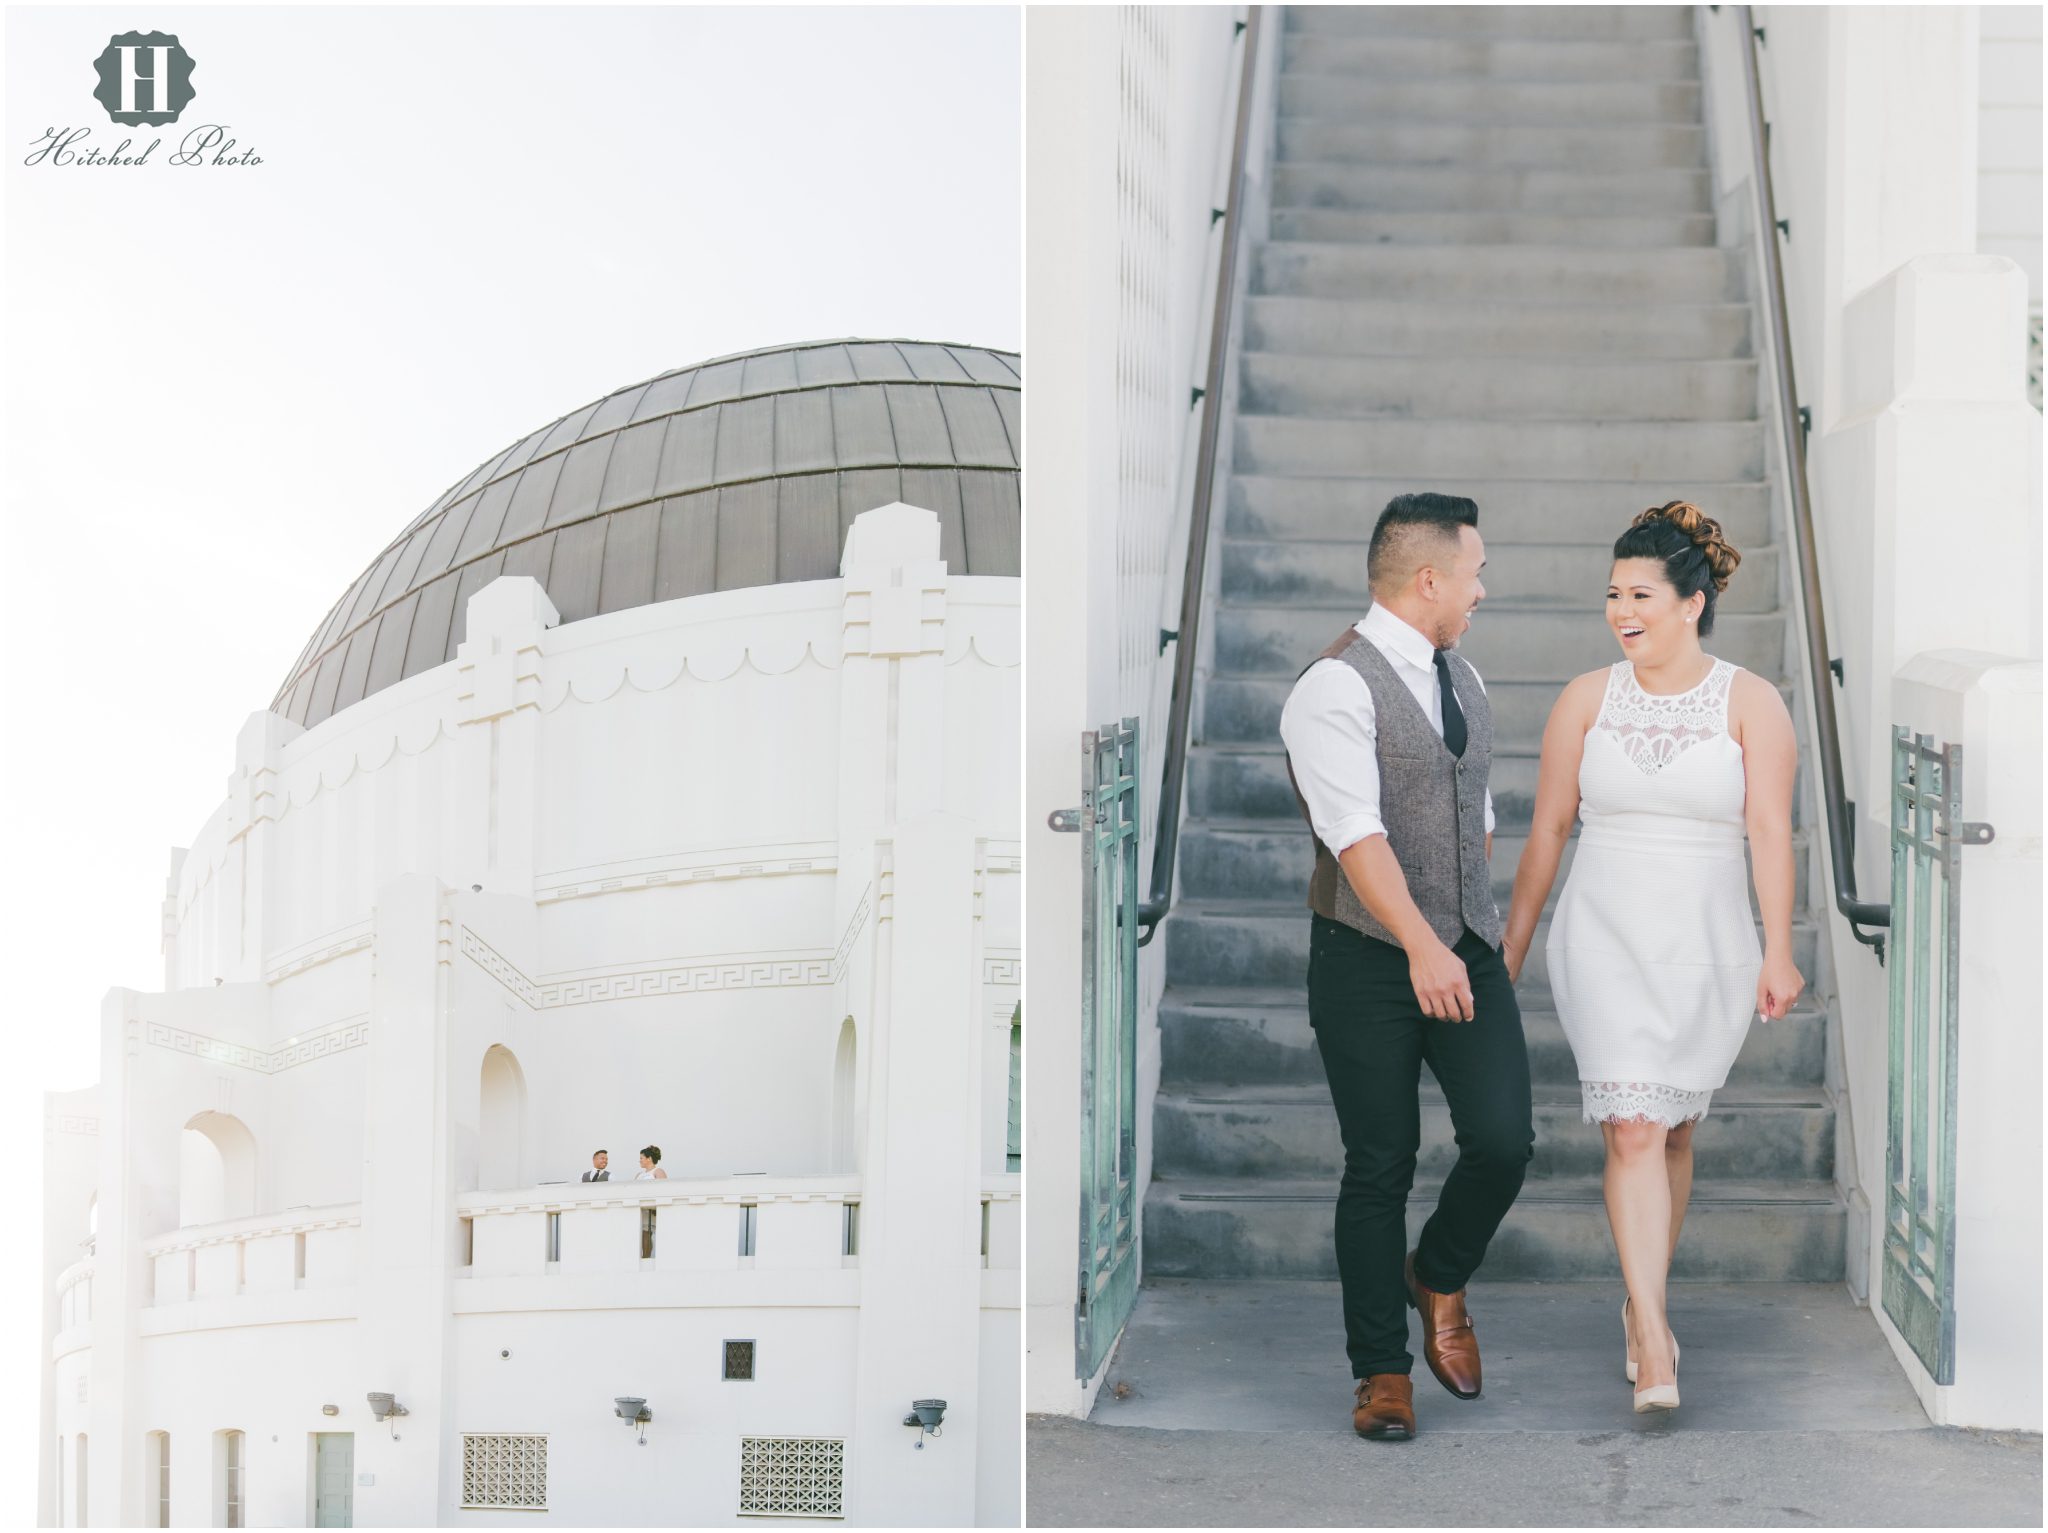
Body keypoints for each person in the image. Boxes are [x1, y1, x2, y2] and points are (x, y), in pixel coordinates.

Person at [1501, 501, 1804, 1416]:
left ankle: (1642, 1308)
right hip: (1603, 936)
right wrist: (1510, 947)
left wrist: (1779, 950)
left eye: (1639, 593)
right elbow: (1549, 828)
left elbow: (1769, 834)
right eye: (1612, 594)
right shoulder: (1586, 699)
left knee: (1672, 1129)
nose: (1620, 610)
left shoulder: (1751, 701)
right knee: (1631, 1125)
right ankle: (1653, 1332)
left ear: (1692, 603)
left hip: (1706, 941)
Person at [1278, 491, 1534, 1442]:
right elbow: (1355, 833)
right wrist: (1423, 944)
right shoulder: (1333, 686)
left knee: (1505, 1140)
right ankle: (1381, 1369)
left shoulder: (1463, 674)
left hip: (1464, 947)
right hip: (1368, 961)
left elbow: (1477, 812)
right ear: (1429, 579)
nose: (1483, 588)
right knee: (1378, 1163)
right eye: (1474, 572)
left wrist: (1468, 925)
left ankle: (1437, 1273)